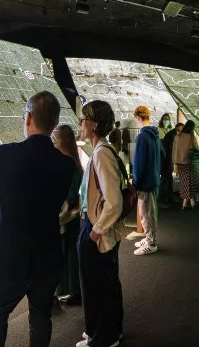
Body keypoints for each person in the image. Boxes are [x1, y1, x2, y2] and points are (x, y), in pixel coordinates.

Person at [0, 91, 75, 347]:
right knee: (41, 316)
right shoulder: (65, 165)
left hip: (11, 255)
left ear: (28, 117)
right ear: (54, 124)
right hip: (48, 253)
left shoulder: (4, 154)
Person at [77, 100, 126, 347]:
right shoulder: (101, 150)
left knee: (98, 285)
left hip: (96, 229)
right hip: (94, 226)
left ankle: (103, 337)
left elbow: (114, 201)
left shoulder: (101, 153)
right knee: (104, 282)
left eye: (83, 119)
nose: (80, 124)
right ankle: (104, 332)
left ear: (94, 124)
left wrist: (95, 231)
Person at [52, 124, 84, 305]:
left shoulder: (67, 163)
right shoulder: (74, 161)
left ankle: (71, 290)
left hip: (68, 217)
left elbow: (69, 195)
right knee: (71, 253)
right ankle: (73, 289)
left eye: (55, 140)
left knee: (69, 254)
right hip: (74, 217)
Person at [130, 105, 161, 256]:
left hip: (145, 182)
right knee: (150, 212)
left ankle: (151, 243)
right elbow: (162, 156)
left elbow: (139, 162)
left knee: (146, 213)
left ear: (137, 117)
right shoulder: (155, 134)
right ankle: (149, 238)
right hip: (153, 178)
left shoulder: (142, 136)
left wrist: (135, 182)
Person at [173, 120, 199, 210]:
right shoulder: (191, 136)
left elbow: (174, 150)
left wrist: (175, 164)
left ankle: (184, 204)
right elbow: (195, 147)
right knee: (191, 182)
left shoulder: (177, 136)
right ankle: (192, 202)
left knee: (185, 182)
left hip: (180, 163)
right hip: (190, 162)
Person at [159, 122, 183, 207]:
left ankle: (169, 198)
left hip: (167, 160)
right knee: (164, 180)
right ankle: (160, 200)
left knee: (169, 180)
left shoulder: (172, 134)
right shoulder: (172, 135)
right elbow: (171, 150)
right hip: (166, 161)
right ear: (177, 129)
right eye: (180, 130)